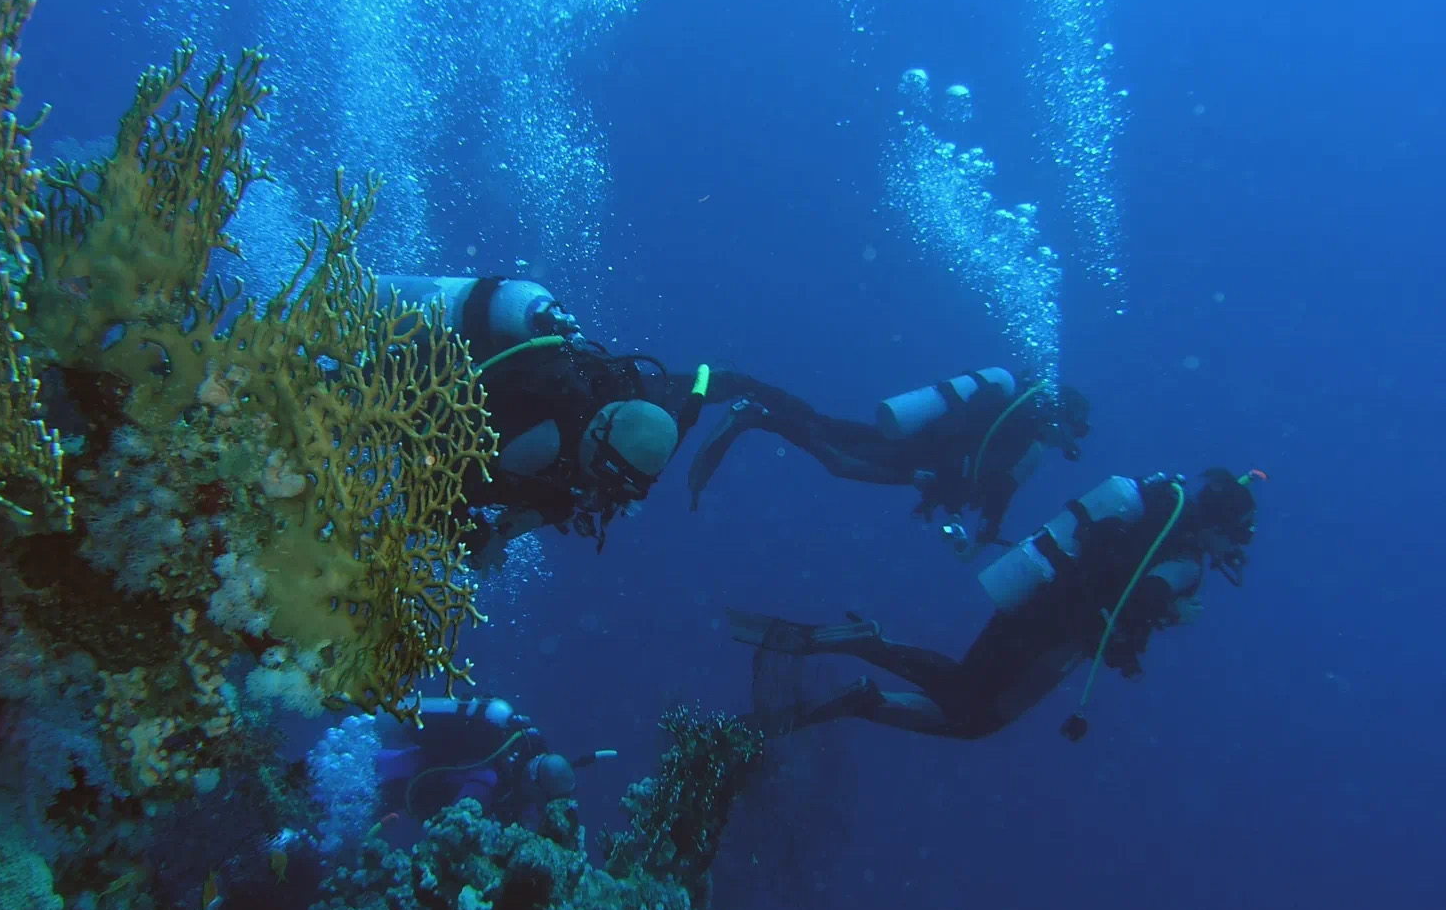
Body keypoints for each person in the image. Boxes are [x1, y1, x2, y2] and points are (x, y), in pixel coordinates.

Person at [727, 467, 1265, 743]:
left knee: (964, 689)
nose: (1231, 553)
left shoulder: (1153, 509)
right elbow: (1145, 597)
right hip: (1061, 636)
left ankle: (868, 659)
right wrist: (1168, 612)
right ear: (1220, 528)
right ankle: (865, 675)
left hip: (1037, 596)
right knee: (976, 720)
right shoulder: (1188, 556)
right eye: (1235, 540)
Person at [378, 273, 777, 563]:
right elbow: (427, 482)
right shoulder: (540, 439)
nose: (601, 492)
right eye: (606, 477)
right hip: (401, 387)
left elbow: (575, 493)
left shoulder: (629, 402)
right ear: (600, 435)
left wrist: (534, 516)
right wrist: (475, 538)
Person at [687, 367, 1093, 557]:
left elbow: (999, 484)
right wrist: (947, 481)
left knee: (828, 428)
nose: (1068, 443)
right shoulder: (1020, 423)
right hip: (919, 458)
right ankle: (756, 412)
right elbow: (970, 446)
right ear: (1062, 417)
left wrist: (989, 526)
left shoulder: (1025, 430)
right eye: (1073, 432)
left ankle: (750, 389)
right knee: (841, 459)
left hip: (918, 448)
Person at [374, 694, 616, 824]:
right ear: (534, 785)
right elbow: (452, 826)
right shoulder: (487, 780)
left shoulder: (522, 752)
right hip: (390, 780)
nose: (538, 809)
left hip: (397, 766)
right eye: (542, 802)